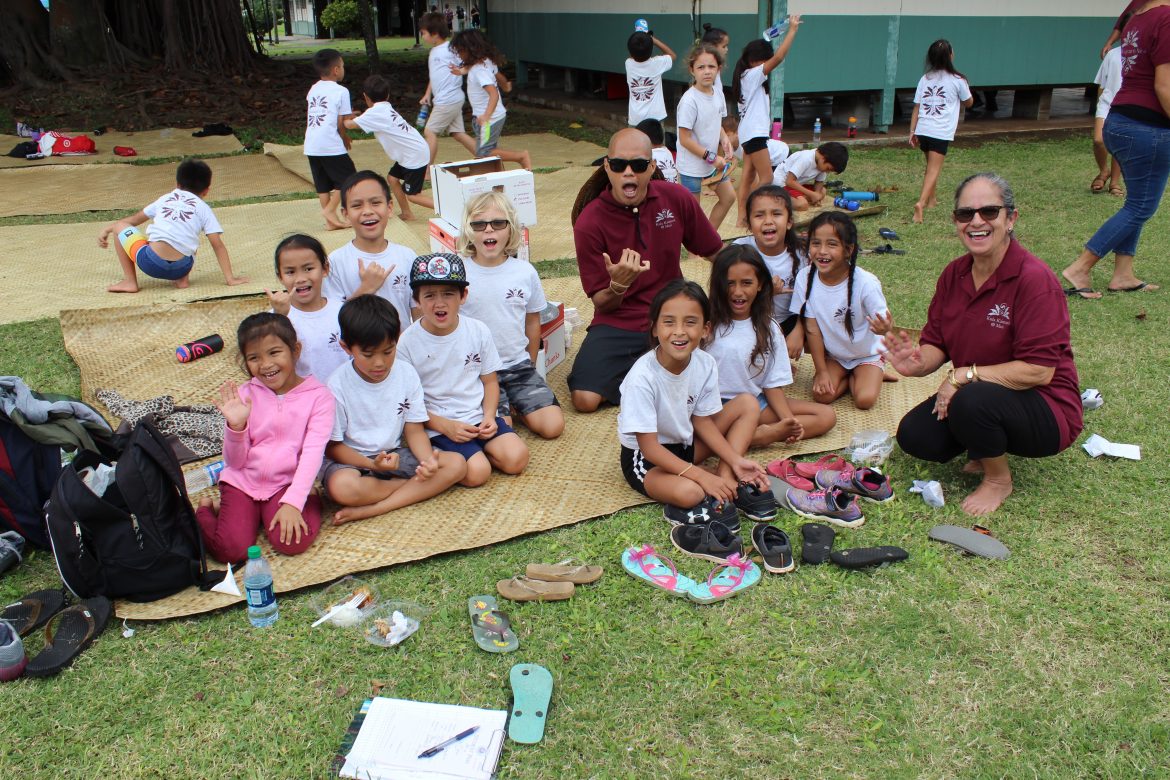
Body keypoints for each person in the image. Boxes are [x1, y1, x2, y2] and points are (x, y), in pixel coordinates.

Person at [885, 173, 1083, 516]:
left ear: (1011, 219)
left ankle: (997, 479)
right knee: (917, 436)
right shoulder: (954, 274)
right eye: (965, 214)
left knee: (971, 400)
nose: (976, 221)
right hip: (983, 394)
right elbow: (938, 343)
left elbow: (1038, 371)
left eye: (989, 212)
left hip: (1048, 409)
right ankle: (982, 444)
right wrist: (916, 363)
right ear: (956, 222)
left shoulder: (1034, 279)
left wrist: (962, 376)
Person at [567, 128, 724, 412]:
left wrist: (755, 272)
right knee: (584, 399)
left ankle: (657, 370)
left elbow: (715, 252)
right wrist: (619, 285)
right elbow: (602, 302)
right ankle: (651, 379)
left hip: (672, 314)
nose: (629, 172)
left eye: (638, 165)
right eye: (618, 165)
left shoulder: (676, 197)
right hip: (620, 321)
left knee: (724, 373)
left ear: (652, 167)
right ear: (607, 166)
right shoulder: (590, 222)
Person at [618, 279, 774, 526]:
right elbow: (648, 448)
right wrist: (701, 475)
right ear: (655, 329)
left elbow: (702, 421)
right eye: (669, 322)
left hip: (685, 445)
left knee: (747, 403)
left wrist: (735, 461)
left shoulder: (705, 363)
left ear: (705, 329)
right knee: (691, 492)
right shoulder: (642, 378)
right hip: (647, 459)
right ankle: (712, 485)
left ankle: (726, 478)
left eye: (690, 322)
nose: (679, 331)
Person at [196, 313, 335, 562]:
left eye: (274, 352)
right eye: (254, 358)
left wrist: (294, 501)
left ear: (295, 350)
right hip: (242, 483)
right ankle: (208, 509)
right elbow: (235, 463)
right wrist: (235, 427)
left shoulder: (319, 397)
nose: (266, 364)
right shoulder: (244, 395)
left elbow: (313, 453)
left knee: (293, 542)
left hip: (284, 485)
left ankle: (307, 499)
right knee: (230, 551)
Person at [323, 295, 467, 524]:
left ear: (397, 340)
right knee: (343, 487)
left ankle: (375, 508)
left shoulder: (406, 373)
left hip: (395, 454)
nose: (379, 363)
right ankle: (411, 489)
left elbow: (414, 430)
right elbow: (333, 448)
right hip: (354, 461)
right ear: (346, 347)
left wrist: (427, 461)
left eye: (388, 351)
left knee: (456, 464)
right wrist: (371, 464)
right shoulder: (337, 385)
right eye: (368, 355)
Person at [398, 252, 530, 487]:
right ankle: (471, 456)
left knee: (517, 459)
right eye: (429, 295)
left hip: (477, 417)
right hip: (439, 423)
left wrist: (489, 416)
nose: (440, 303)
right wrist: (445, 426)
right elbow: (410, 405)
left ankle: (479, 452)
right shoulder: (407, 342)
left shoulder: (478, 330)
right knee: (477, 474)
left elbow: (490, 381)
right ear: (417, 299)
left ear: (463, 295)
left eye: (448, 294)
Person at [1063, 1, 1168, 299]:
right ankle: (1081, 267)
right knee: (1141, 207)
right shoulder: (1167, 19)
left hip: (1118, 121)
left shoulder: (1137, 18)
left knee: (1136, 202)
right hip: (1148, 127)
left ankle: (1123, 273)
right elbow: (1164, 86)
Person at [704, 244, 835, 448]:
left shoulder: (769, 327)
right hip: (712, 411)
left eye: (746, 282)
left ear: (760, 284)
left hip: (756, 404)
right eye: (729, 283)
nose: (738, 291)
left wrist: (787, 422)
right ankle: (751, 437)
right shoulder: (706, 324)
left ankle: (750, 437)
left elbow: (772, 384)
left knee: (826, 416)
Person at [459, 191, 565, 439]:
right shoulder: (460, 272)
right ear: (468, 229)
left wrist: (529, 362)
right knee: (501, 429)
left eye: (498, 223)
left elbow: (532, 320)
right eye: (479, 224)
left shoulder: (524, 272)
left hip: (518, 366)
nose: (489, 230)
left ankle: (520, 403)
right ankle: (509, 409)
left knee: (553, 427)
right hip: (478, 372)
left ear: (510, 229)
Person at [98, 158, 248, 293]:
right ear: (206, 190)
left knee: (119, 226)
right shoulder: (203, 208)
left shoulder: (165, 198)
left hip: (151, 263)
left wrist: (108, 229)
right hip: (182, 267)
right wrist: (230, 279)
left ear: (177, 184)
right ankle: (182, 280)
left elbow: (133, 221)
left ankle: (130, 282)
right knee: (190, 235)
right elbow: (217, 245)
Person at [791, 211, 890, 410]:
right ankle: (853, 375)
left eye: (832, 244)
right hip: (836, 356)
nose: (822, 251)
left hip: (867, 354)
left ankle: (871, 371)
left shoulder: (866, 283)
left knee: (864, 400)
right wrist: (821, 371)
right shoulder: (805, 278)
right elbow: (812, 329)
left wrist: (885, 327)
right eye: (816, 243)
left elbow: (885, 322)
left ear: (848, 250)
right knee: (822, 396)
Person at [323, 171, 417, 328]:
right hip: (358, 352)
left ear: (389, 207)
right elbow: (333, 319)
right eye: (357, 205)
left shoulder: (407, 257)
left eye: (375, 203)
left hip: (402, 350)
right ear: (345, 214)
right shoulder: (336, 261)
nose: (367, 211)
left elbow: (418, 310)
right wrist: (367, 288)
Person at [731, 17, 801, 227]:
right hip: (753, 133)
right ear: (755, 60)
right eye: (764, 60)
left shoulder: (746, 76)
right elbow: (779, 57)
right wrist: (793, 30)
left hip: (749, 132)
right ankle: (754, 212)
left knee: (748, 176)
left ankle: (741, 218)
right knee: (767, 178)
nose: (767, 64)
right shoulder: (752, 74)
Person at [345, 75, 434, 221]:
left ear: (366, 97)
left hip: (413, 156)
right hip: (412, 152)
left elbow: (349, 125)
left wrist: (342, 116)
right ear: (387, 95)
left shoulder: (375, 113)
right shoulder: (384, 108)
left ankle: (449, 209)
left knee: (413, 195)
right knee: (392, 179)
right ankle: (407, 213)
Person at [733, 185, 806, 355]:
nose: (768, 221)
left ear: (789, 222)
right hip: (749, 319)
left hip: (790, 320)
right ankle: (769, 356)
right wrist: (766, 292)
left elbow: (813, 298)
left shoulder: (803, 254)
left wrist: (799, 330)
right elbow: (727, 297)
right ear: (749, 224)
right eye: (759, 215)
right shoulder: (739, 251)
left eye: (776, 214)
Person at [266, 234, 348, 382]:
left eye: (308, 268)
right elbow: (268, 358)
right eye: (290, 272)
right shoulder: (273, 319)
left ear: (325, 269)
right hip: (303, 401)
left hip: (344, 397)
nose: (301, 278)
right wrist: (280, 316)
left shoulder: (344, 312)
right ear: (280, 277)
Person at [909, 40, 974, 224]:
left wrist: (912, 131)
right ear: (950, 56)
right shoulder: (958, 80)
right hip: (940, 131)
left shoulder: (925, 78)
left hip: (923, 129)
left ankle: (932, 200)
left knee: (930, 166)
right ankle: (920, 204)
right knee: (933, 170)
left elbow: (916, 107)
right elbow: (969, 102)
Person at [449, 29, 532, 170]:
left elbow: (493, 94)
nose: (459, 55)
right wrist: (505, 85)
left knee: (485, 153)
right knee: (488, 150)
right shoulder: (485, 61)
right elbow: (497, 74)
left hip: (490, 119)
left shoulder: (479, 71)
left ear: (471, 50)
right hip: (489, 117)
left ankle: (521, 156)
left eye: (460, 51)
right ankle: (500, 173)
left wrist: (486, 115)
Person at [676, 43, 736, 231]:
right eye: (701, 67)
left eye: (711, 66)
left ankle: (708, 240)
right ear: (692, 70)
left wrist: (725, 139)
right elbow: (684, 139)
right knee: (693, 215)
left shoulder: (717, 92)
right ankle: (695, 255)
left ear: (719, 68)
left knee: (728, 198)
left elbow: (716, 122)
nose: (707, 71)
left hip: (712, 164)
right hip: (691, 167)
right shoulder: (689, 101)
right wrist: (711, 157)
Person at [303, 48, 356, 230]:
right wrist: (344, 137)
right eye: (342, 66)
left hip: (311, 143)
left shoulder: (313, 89)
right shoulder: (341, 91)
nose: (343, 69)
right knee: (349, 180)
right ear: (335, 70)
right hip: (330, 143)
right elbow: (343, 121)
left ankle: (330, 223)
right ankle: (329, 211)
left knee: (323, 183)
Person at [419, 12, 477, 166]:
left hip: (447, 100)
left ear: (435, 34)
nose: (422, 36)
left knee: (429, 131)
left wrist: (463, 70)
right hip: (450, 99)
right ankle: (485, 157)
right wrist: (427, 94)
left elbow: (470, 61)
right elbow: (435, 75)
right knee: (458, 133)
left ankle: (426, 171)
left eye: (423, 33)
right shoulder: (434, 51)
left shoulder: (450, 48)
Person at [1091, 21, 1127, 196]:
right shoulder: (1112, 55)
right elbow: (1102, 85)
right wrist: (1099, 105)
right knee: (1099, 140)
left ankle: (1114, 182)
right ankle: (1103, 170)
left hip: (1126, 107)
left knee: (1119, 144)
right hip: (1107, 104)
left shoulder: (1144, 56)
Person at [771, 142, 848, 212]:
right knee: (802, 205)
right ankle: (775, 197)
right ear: (823, 158)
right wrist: (812, 195)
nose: (827, 172)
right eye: (828, 169)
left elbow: (819, 182)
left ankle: (798, 198)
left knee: (823, 191)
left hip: (795, 185)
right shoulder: (806, 159)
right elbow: (789, 182)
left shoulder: (821, 163)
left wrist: (817, 194)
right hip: (782, 184)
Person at [624, 30, 677, 128]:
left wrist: (641, 40)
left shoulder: (628, 64)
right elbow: (672, 55)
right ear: (651, 49)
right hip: (655, 118)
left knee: (635, 144)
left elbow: (633, 55)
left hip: (635, 119)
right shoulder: (657, 63)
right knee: (657, 143)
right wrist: (653, 40)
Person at [635, 118, 678, 183]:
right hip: (673, 191)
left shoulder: (649, 156)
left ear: (644, 139)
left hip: (658, 192)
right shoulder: (667, 152)